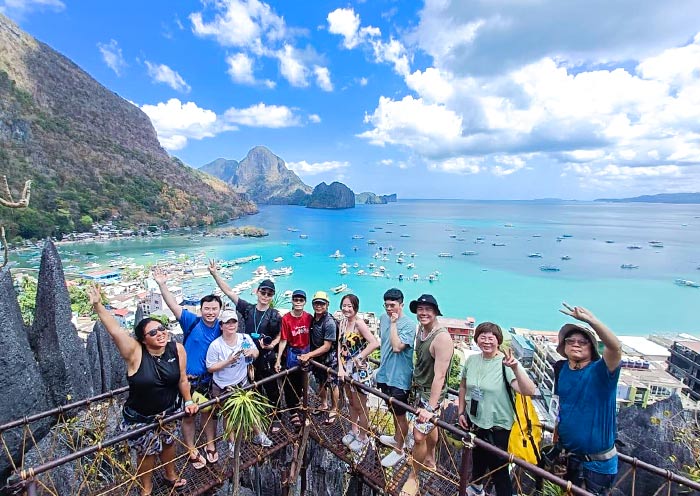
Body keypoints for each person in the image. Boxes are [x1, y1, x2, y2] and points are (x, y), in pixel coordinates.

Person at [88, 283, 198, 496]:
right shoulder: (135, 353)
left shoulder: (177, 348)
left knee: (168, 444)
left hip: (169, 410)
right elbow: (116, 331)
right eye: (153, 332)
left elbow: (183, 379)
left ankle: (170, 475)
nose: (160, 333)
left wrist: (188, 401)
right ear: (143, 339)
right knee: (147, 453)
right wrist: (99, 306)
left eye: (162, 329)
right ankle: (145, 488)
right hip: (141, 416)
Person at [457, 322, 537, 496]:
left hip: (498, 426)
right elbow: (463, 386)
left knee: (499, 471)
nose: (486, 341)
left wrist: (515, 367)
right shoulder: (472, 360)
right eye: (482, 337)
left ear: (498, 340)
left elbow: (529, 391)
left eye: (491, 337)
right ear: (477, 339)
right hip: (475, 421)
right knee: (477, 459)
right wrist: (461, 411)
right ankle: (476, 488)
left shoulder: (505, 363)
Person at [153, 267, 221, 469]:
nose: (210, 312)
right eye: (206, 309)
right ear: (201, 310)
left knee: (209, 413)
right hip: (188, 380)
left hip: (210, 379)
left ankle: (210, 444)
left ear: (219, 310)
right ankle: (192, 449)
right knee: (189, 416)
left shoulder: (222, 326)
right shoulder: (192, 322)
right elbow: (173, 305)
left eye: (214, 309)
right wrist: (162, 284)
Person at [553, 303, 622, 495]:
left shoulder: (601, 372)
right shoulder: (561, 368)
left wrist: (591, 321)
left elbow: (615, 348)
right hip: (569, 458)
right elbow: (565, 406)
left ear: (592, 348)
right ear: (563, 346)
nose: (575, 344)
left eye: (582, 342)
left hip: (597, 465)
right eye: (570, 340)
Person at [208, 260, 283, 432]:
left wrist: (272, 345)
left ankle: (276, 417)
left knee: (271, 388)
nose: (265, 296)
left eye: (269, 294)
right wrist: (215, 274)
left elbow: (281, 334)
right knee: (253, 389)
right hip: (247, 360)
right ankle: (256, 419)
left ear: (272, 297)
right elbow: (228, 292)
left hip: (265, 357)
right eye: (263, 292)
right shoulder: (248, 309)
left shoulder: (274, 314)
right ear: (257, 292)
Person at [401, 294, 454, 496]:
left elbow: (440, 377)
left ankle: (414, 477)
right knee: (430, 429)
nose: (423, 313)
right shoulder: (422, 331)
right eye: (420, 309)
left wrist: (430, 409)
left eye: (427, 309)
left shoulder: (441, 338)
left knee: (419, 435)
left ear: (436, 311)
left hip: (432, 395)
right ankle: (430, 458)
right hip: (419, 388)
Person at [205, 310, 272, 452]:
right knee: (228, 415)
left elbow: (255, 352)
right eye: (227, 322)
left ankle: (259, 434)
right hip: (223, 386)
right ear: (221, 326)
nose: (230, 325)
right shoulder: (216, 345)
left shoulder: (244, 339)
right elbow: (210, 367)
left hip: (242, 382)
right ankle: (232, 443)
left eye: (233, 322)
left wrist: (252, 353)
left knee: (251, 409)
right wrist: (228, 361)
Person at [375, 288, 417, 468]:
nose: (389, 309)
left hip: (400, 377)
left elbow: (397, 347)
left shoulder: (408, 324)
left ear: (402, 304)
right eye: (386, 305)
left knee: (401, 415)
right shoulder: (383, 318)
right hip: (385, 373)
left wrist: (393, 324)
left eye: (393, 305)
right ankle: (395, 439)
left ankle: (399, 450)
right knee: (392, 410)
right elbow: (382, 342)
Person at [337, 294, 380, 452]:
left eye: (350, 306)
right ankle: (353, 430)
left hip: (359, 371)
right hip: (347, 369)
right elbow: (339, 345)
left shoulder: (359, 324)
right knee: (351, 402)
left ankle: (363, 436)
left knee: (361, 405)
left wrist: (360, 357)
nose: (346, 308)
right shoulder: (342, 323)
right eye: (344, 305)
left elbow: (375, 342)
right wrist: (340, 367)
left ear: (355, 307)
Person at [299, 290, 339, 425]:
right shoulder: (313, 319)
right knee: (320, 381)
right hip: (318, 357)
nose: (319, 306)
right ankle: (324, 404)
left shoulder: (329, 323)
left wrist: (309, 355)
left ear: (327, 305)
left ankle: (334, 408)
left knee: (333, 383)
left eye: (322, 304)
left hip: (329, 357)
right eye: (316, 303)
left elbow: (327, 346)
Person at [274, 289, 312, 429]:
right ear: (292, 301)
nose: (298, 302)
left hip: (306, 352)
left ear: (304, 302)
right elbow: (283, 339)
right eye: (296, 299)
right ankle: (292, 411)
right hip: (292, 352)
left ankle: (300, 403)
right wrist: (278, 359)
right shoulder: (286, 319)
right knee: (291, 381)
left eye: (301, 300)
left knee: (303, 381)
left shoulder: (308, 317)